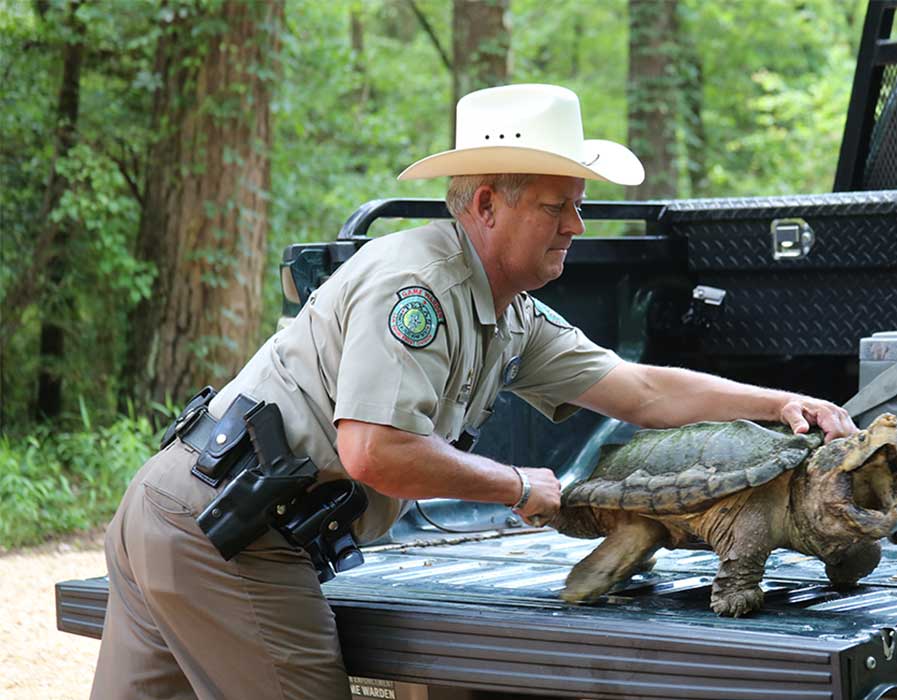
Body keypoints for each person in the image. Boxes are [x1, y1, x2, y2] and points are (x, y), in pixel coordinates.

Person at [91, 83, 856, 699]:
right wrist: (519, 486)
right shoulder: (417, 286)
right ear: (487, 204)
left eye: (578, 204)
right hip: (231, 538)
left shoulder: (509, 310)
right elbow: (374, 451)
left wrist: (776, 404)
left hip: (183, 509)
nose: (577, 226)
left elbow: (642, 392)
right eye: (556, 206)